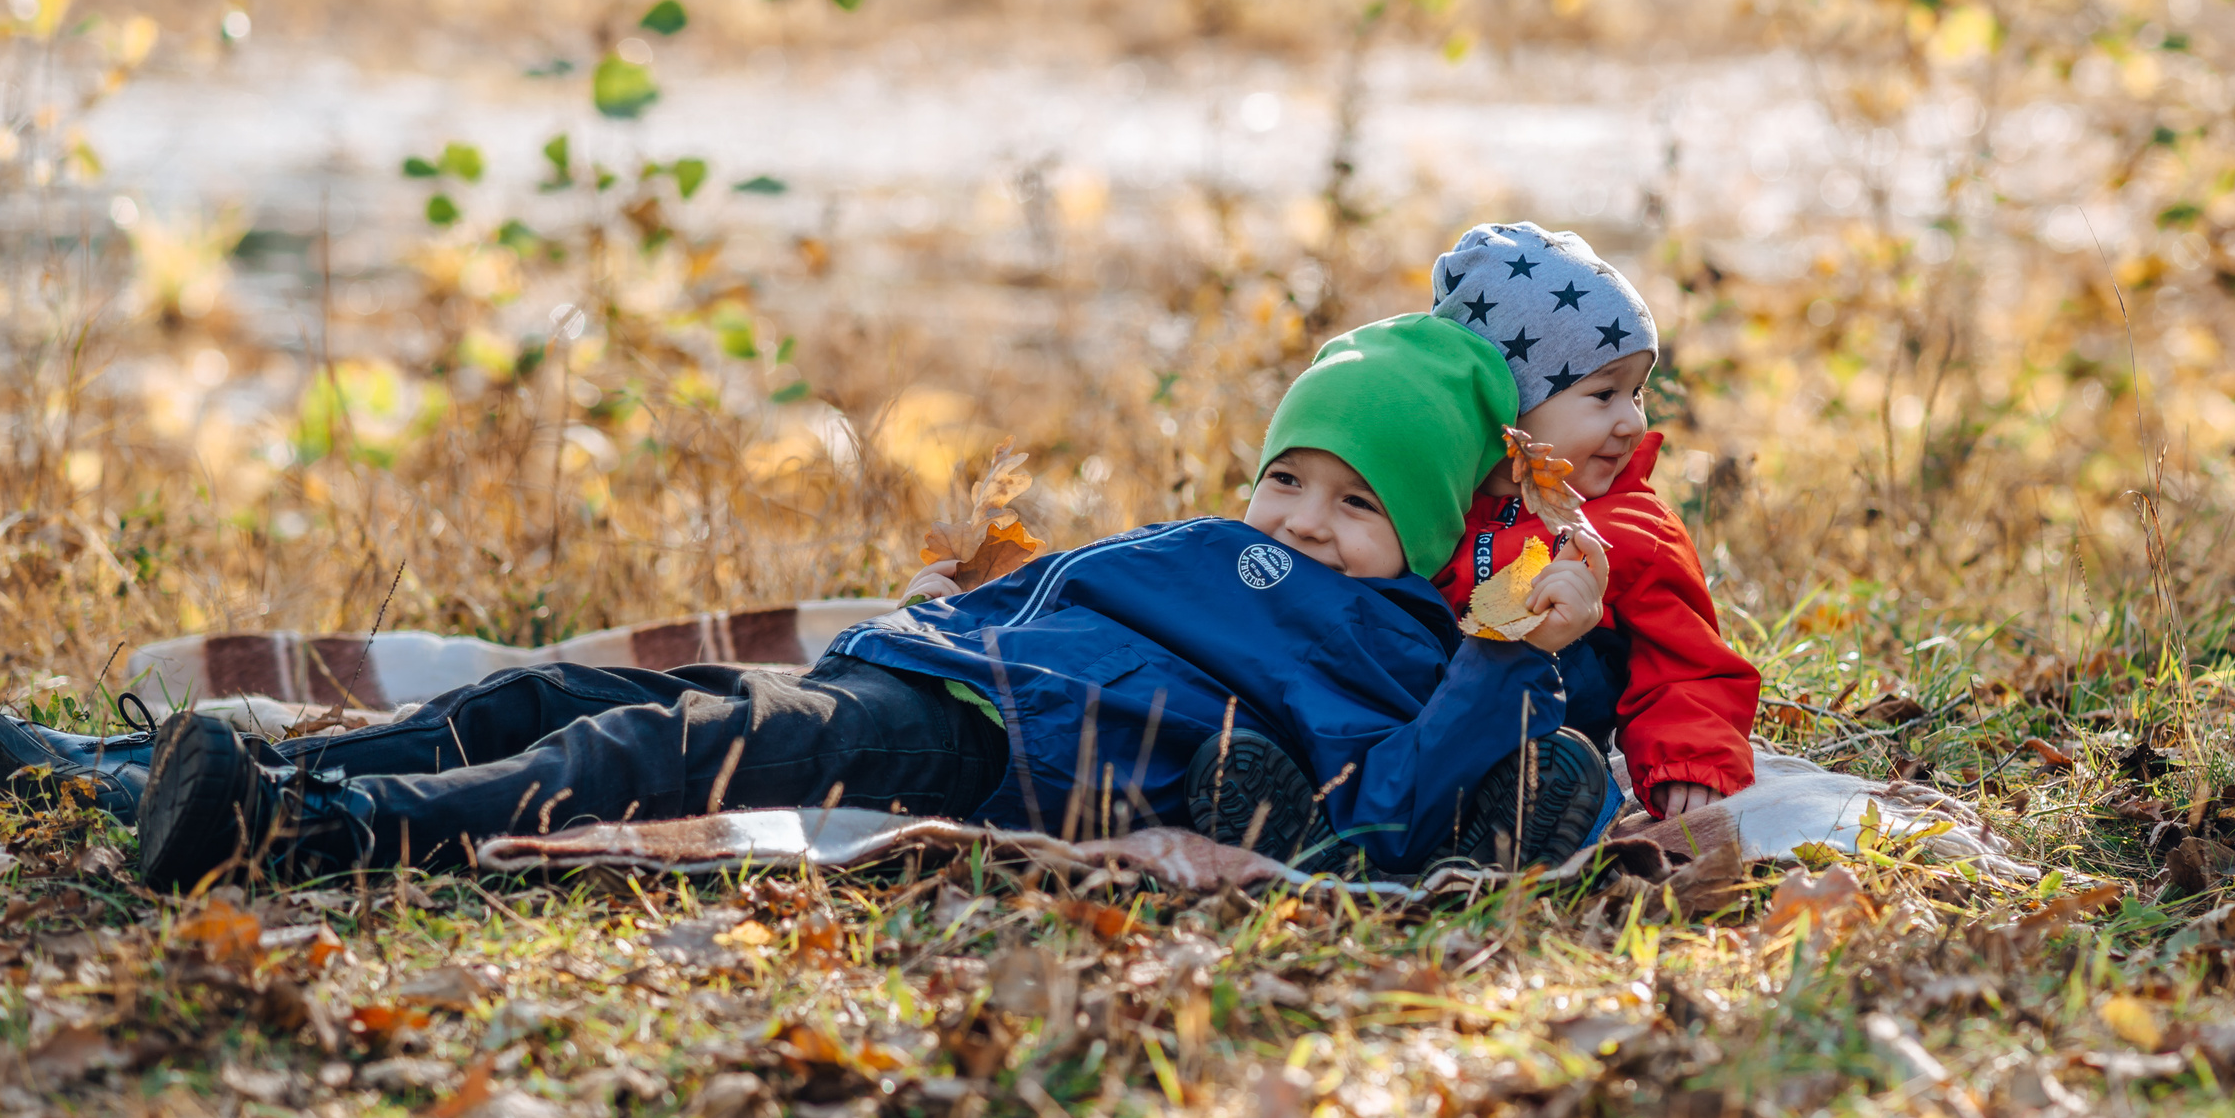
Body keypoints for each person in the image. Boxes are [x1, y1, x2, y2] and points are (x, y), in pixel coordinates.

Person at [116, 311, 1611, 892]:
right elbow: (1062, 593)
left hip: (986, 747)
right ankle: (202, 776)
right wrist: (945, 613)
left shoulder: (1409, 643)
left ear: (1424, 537)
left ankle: (314, 831)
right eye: (1291, 477)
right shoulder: (1217, 544)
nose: (1304, 519)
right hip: (943, 669)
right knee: (559, 695)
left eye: (1361, 505)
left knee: (640, 758)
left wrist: (1499, 661)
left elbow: (1385, 818)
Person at [1425, 222, 1761, 818]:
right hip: (1420, 715)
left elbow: (1684, 664)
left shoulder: (1629, 528)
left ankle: (1537, 794)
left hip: (1546, 725)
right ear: (1506, 403)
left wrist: (1691, 760)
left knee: (1578, 642)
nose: (1632, 422)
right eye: (1604, 394)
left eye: (1637, 393)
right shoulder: (1428, 501)